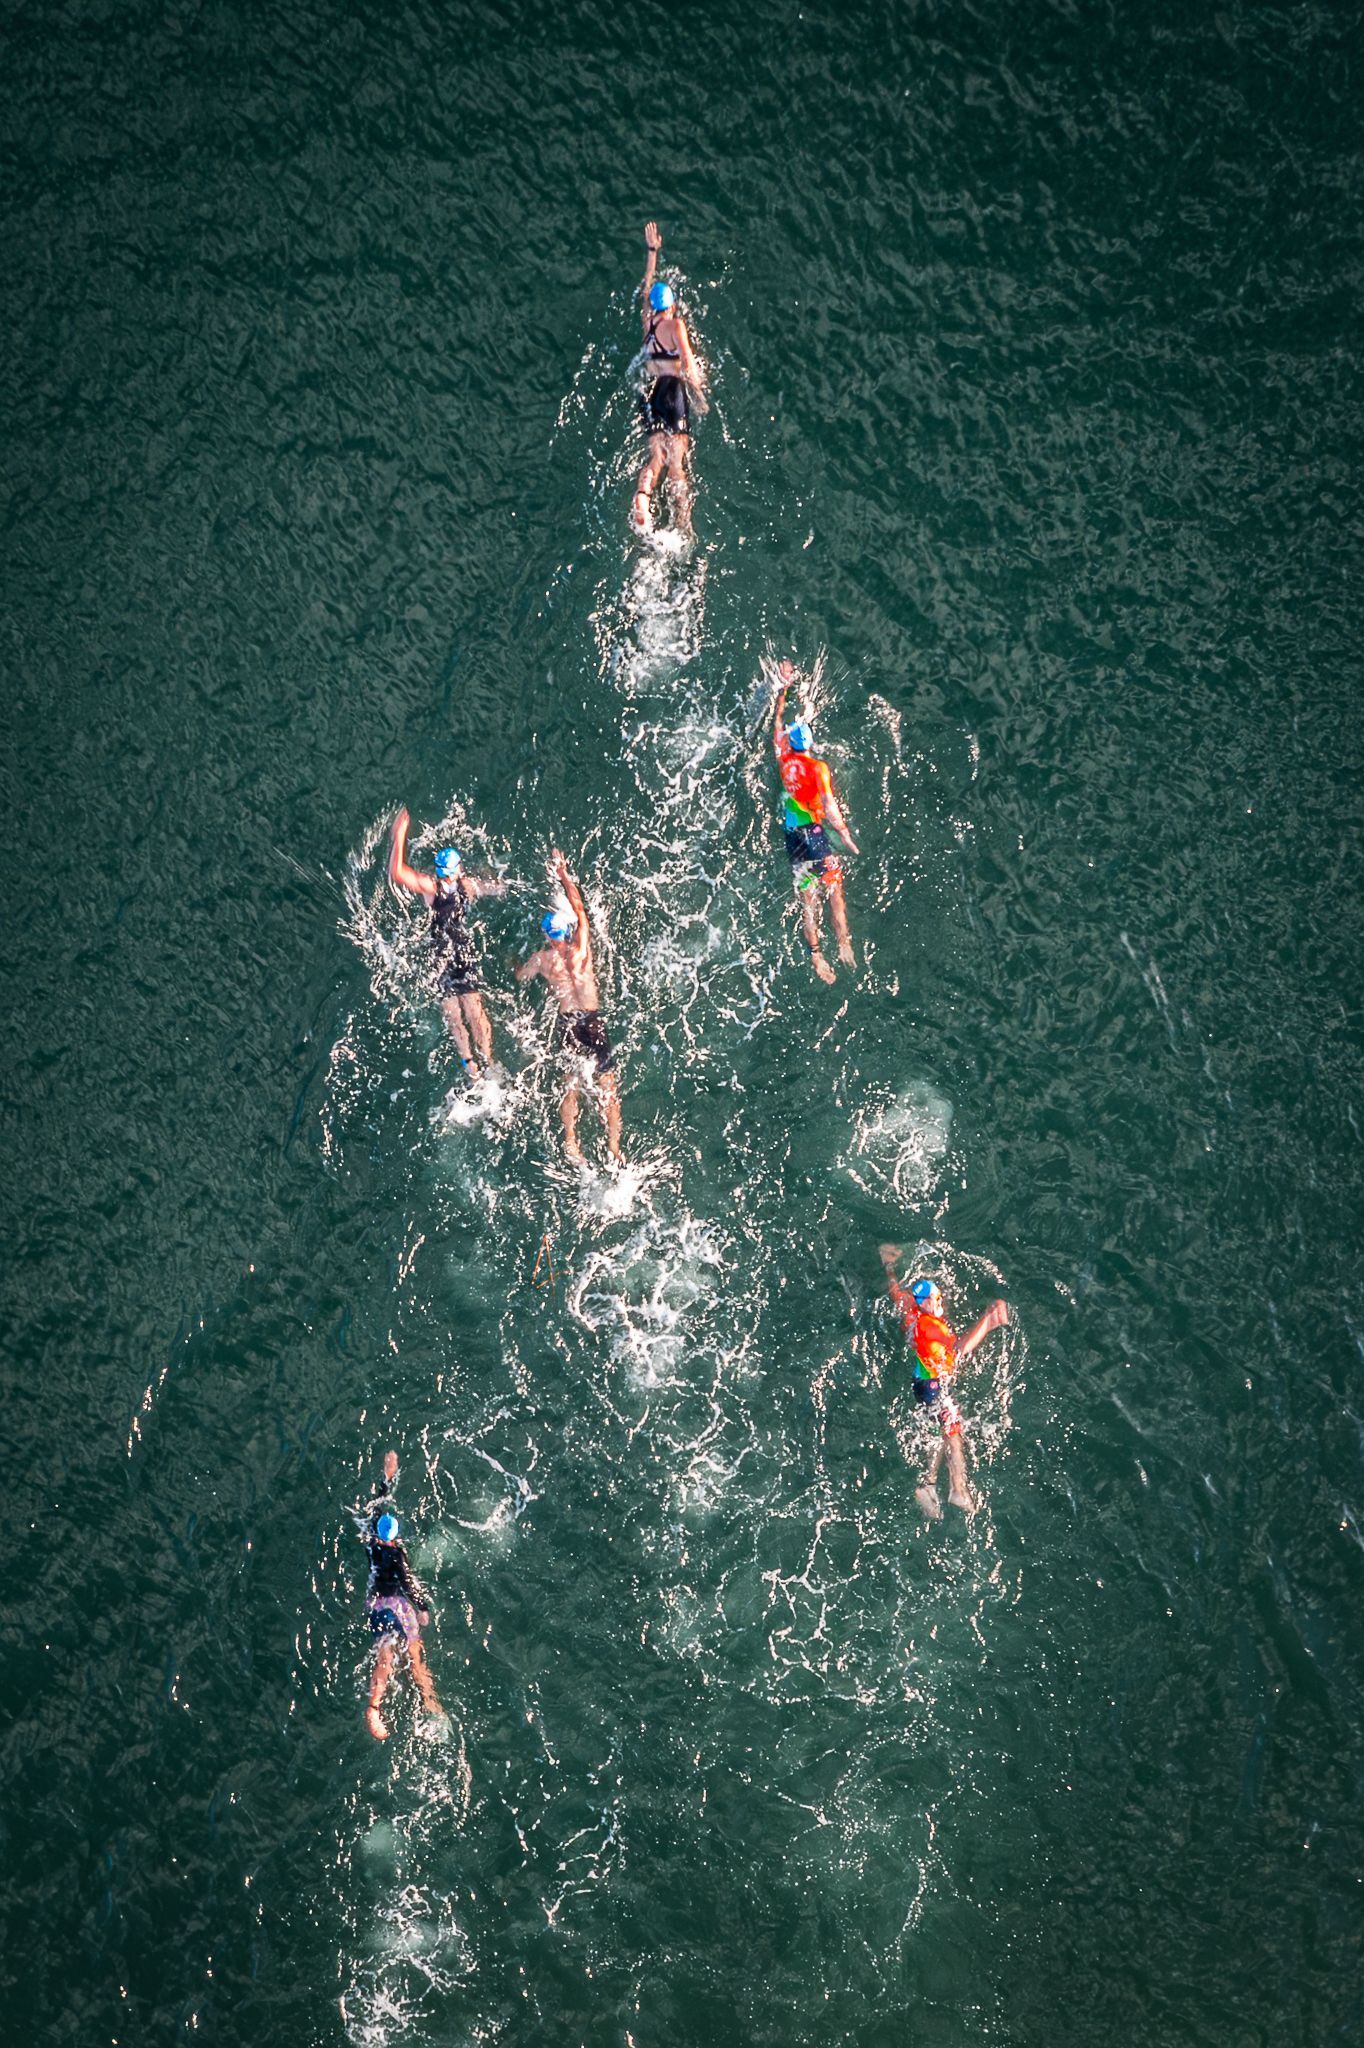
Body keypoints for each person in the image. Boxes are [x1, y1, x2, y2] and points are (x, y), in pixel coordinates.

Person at [879, 1247, 1009, 1518]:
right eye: (936, 1299)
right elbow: (959, 1349)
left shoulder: (910, 1311)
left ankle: (927, 1486)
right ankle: (957, 1490)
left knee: (945, 1431)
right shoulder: (932, 1327)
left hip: (923, 1384)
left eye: (939, 1298)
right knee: (953, 1433)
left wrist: (889, 1268)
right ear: (925, 1302)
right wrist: (989, 1319)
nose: (940, 1303)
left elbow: (895, 1293)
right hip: (932, 1384)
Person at [515, 849, 622, 1166]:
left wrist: (518, 968)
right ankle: (614, 1147)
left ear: (548, 936)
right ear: (569, 931)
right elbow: (578, 906)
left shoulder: (542, 959)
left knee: (570, 1086)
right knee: (608, 1087)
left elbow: (522, 977)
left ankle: (571, 1143)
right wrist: (563, 873)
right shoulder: (582, 947)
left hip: (568, 1023)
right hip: (593, 1021)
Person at [389, 806, 507, 1077]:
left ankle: (469, 1062)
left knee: (454, 1013)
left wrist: (399, 836)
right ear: (458, 869)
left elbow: (398, 872)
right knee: (473, 1009)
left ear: (440, 871)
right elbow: (498, 888)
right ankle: (486, 1059)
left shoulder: (433, 887)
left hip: (441, 953)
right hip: (461, 950)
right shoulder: (468, 886)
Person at [771, 659, 860, 984]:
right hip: (816, 835)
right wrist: (846, 837)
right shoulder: (818, 768)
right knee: (834, 891)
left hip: (792, 835)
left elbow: (777, 724)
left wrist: (784, 687)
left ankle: (817, 957)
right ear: (809, 745)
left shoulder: (783, 757)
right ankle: (844, 945)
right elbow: (830, 807)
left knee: (808, 898)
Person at [356, 1450, 446, 1740]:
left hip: (376, 1606)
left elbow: (376, 1506)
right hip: (397, 1606)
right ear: (393, 1536)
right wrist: (421, 1607)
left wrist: (387, 1477)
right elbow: (407, 1582)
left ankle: (374, 1706)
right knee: (415, 1656)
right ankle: (432, 1705)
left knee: (384, 1656)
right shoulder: (396, 1554)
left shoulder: (371, 1541)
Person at [630, 220, 708, 539]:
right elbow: (688, 362)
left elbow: (646, 289)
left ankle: (643, 501)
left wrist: (652, 252)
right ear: (672, 306)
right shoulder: (676, 326)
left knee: (655, 457)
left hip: (648, 391)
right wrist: (699, 394)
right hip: (673, 391)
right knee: (676, 462)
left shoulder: (647, 322)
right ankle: (682, 523)